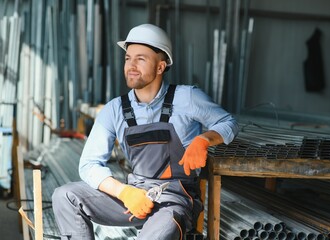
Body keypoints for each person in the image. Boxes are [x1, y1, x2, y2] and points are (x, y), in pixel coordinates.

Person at [52, 23, 239, 240]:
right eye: (127, 58)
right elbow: (88, 165)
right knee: (64, 196)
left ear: (160, 67)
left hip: (173, 201)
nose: (131, 65)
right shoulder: (114, 110)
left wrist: (204, 139)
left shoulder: (186, 97)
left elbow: (229, 122)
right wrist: (124, 192)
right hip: (136, 196)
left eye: (140, 59)